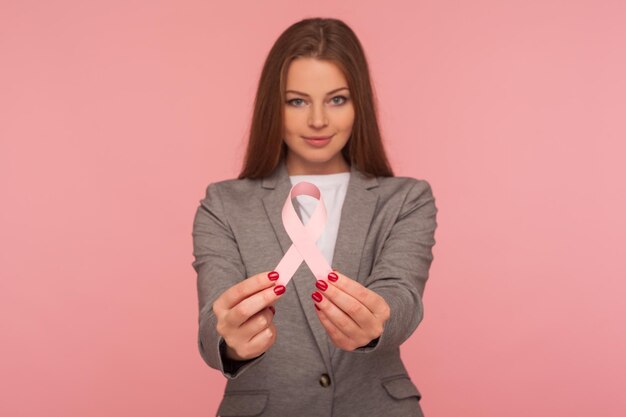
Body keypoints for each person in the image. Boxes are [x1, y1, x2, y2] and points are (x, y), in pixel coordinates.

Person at [192, 17, 438, 417]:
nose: (318, 120)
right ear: (274, 106)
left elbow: (403, 296)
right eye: (297, 101)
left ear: (359, 103)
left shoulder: (407, 198)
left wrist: (378, 320)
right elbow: (210, 326)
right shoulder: (223, 204)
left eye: (337, 99)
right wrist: (231, 341)